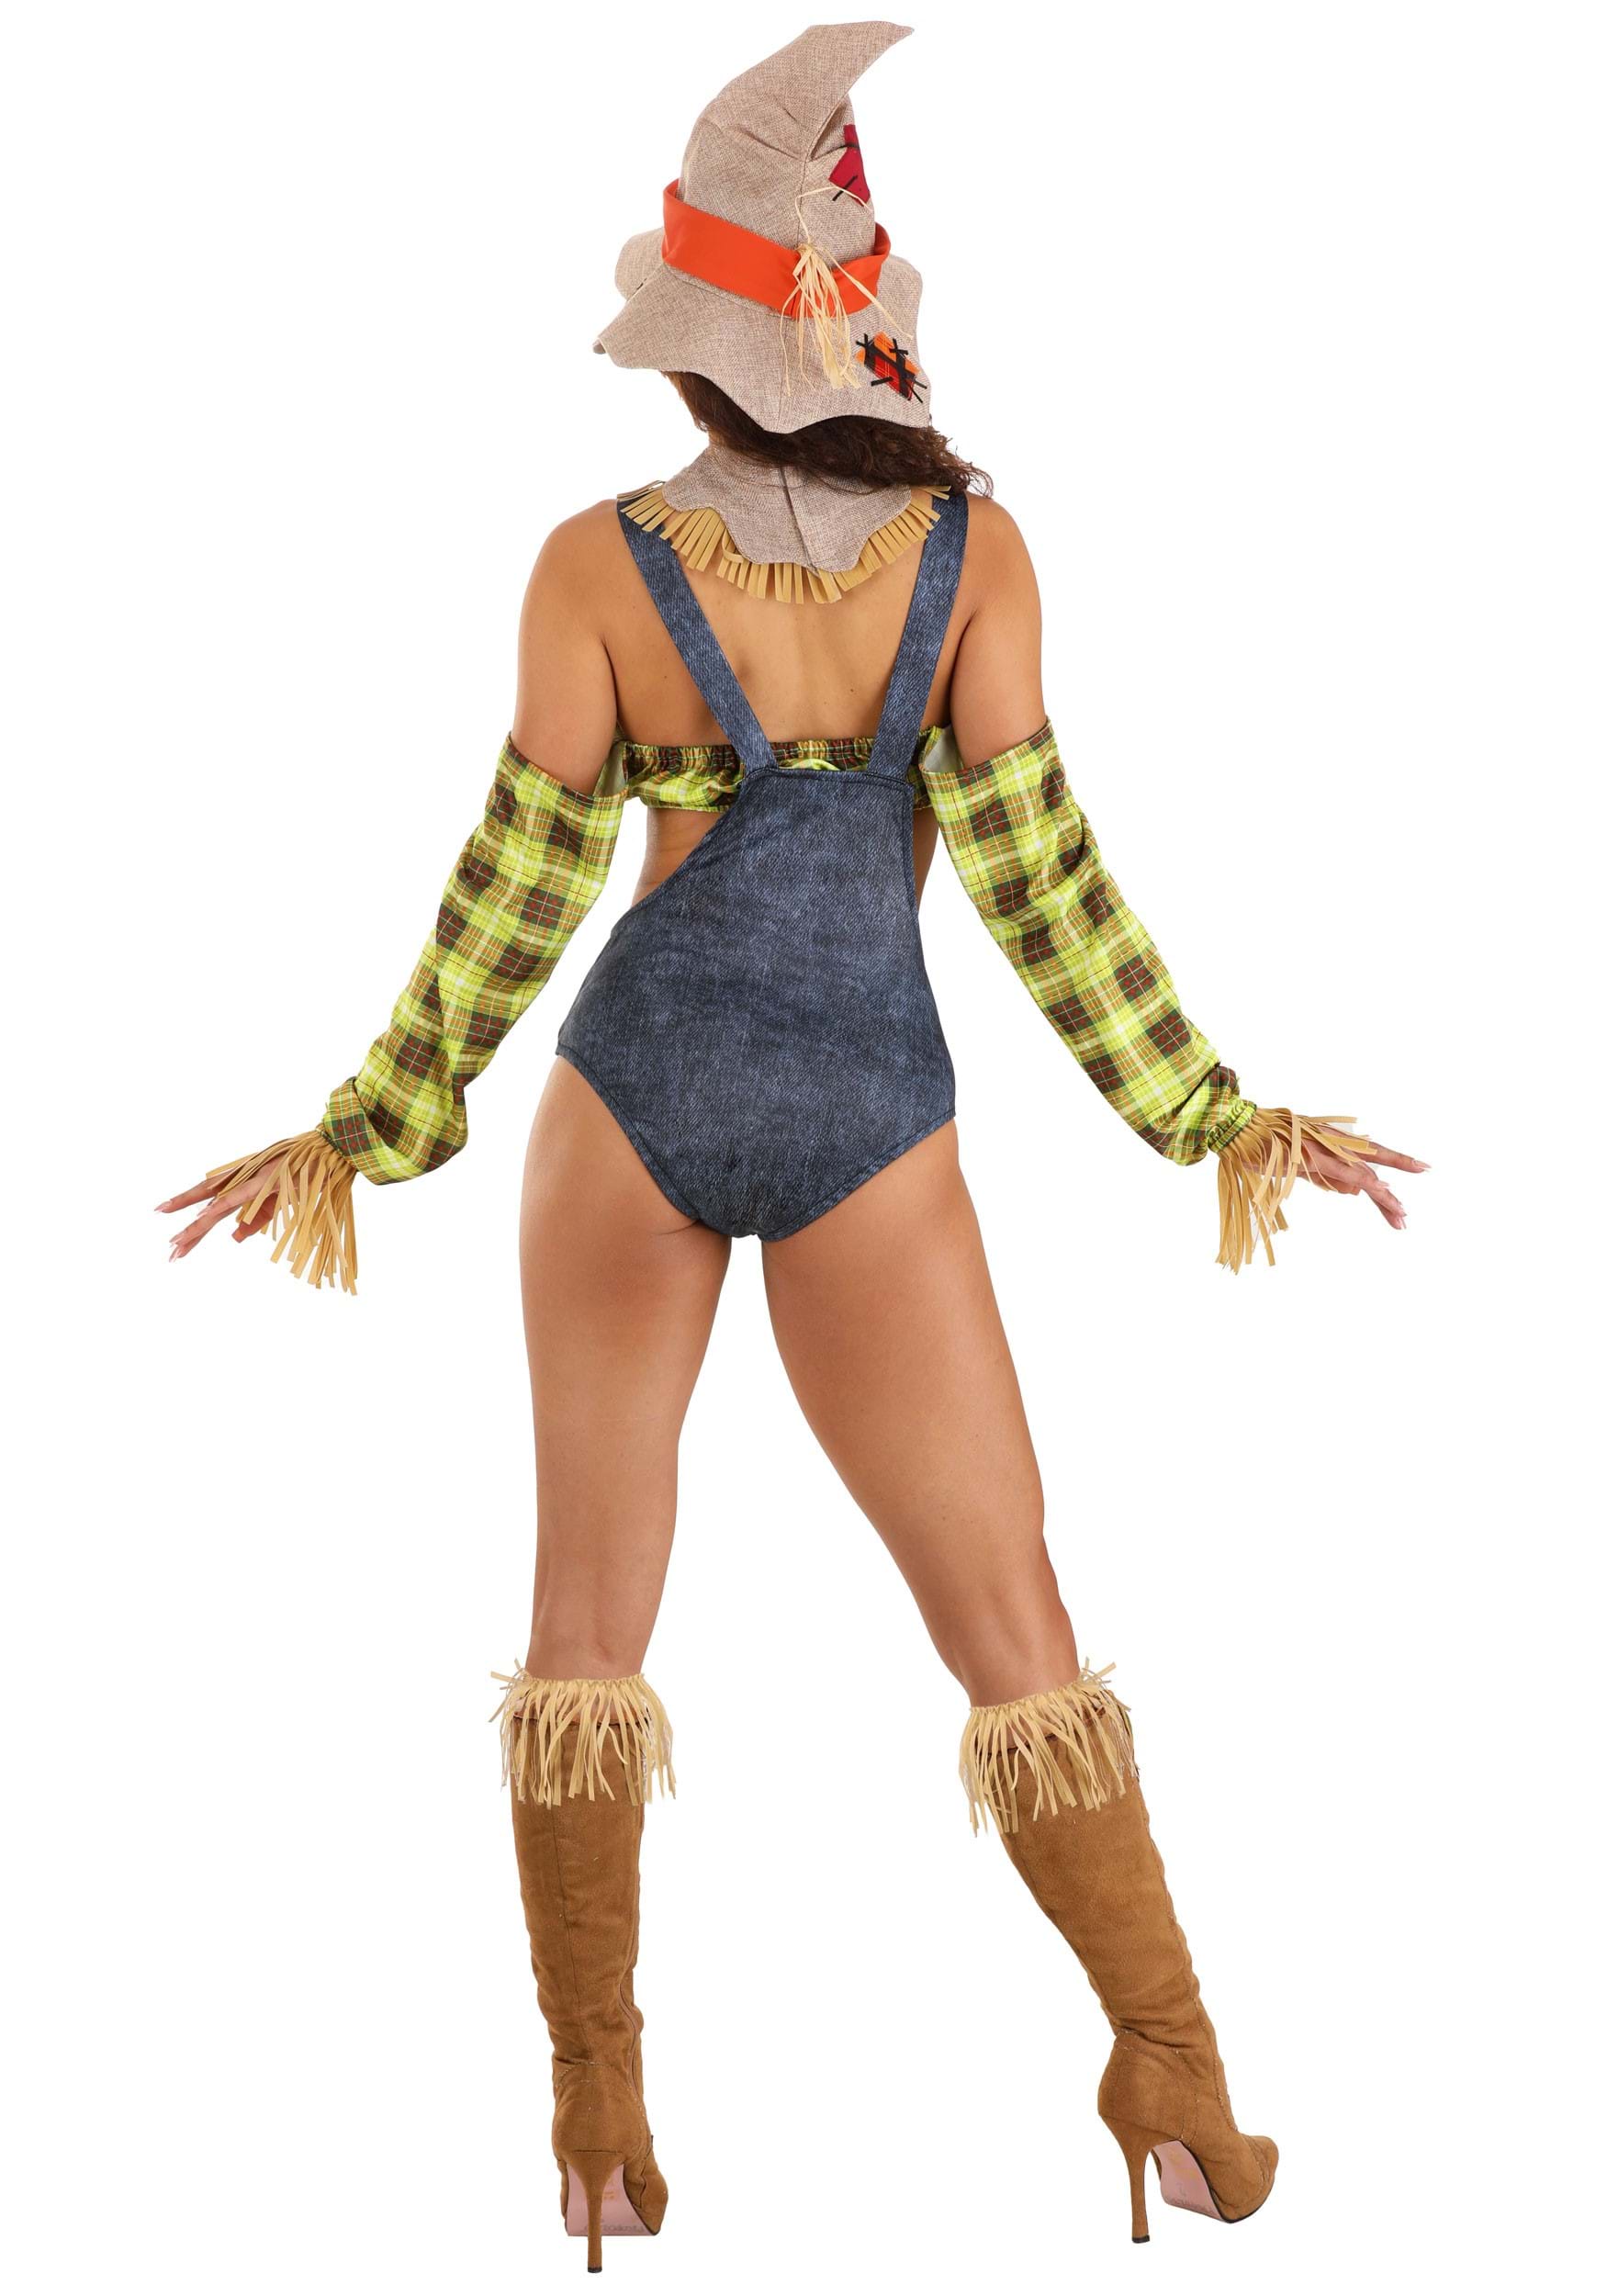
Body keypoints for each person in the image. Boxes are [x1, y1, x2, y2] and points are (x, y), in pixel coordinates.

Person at [157, 22, 1425, 2267]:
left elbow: (515, 891)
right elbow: (1038, 882)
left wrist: (372, 1124)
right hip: (870, 1123)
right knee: (1017, 1619)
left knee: (580, 1620)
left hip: (624, 1108)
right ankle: (1170, 2069)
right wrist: (1205, 1114)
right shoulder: (973, 552)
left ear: (691, 350)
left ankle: (599, 2115)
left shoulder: (594, 564)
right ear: (857, 332)